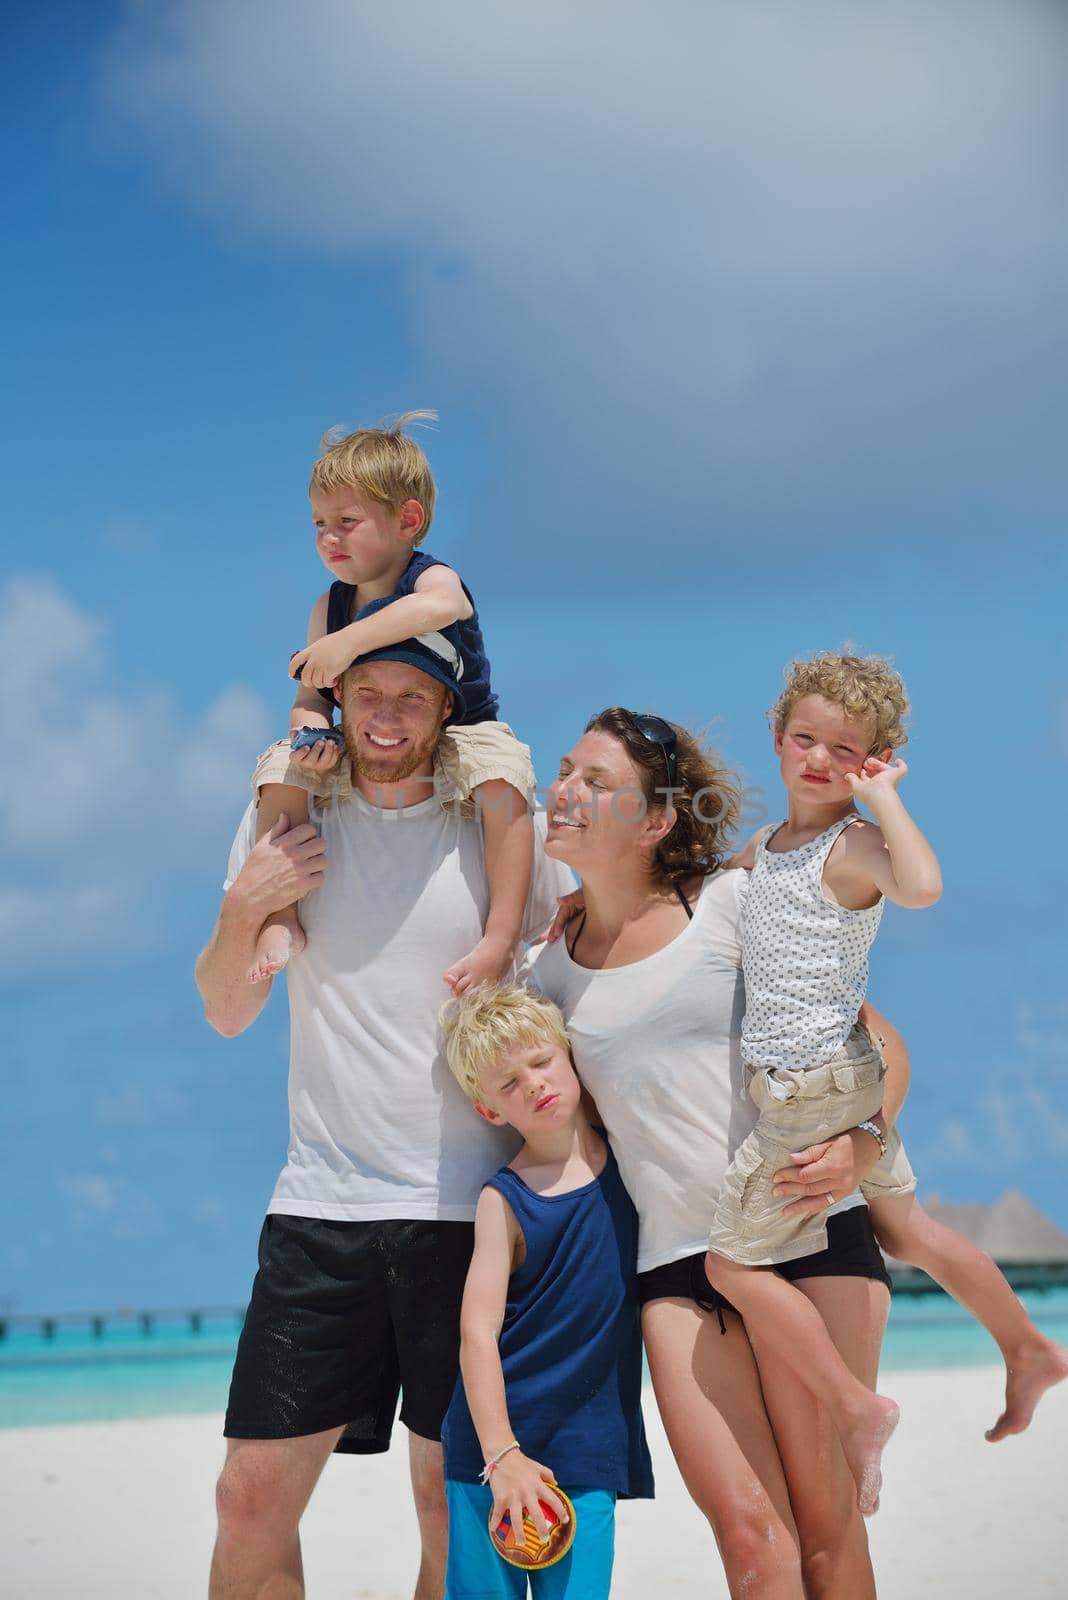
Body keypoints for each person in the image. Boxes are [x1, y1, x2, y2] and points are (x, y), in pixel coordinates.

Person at [194, 628, 572, 1600]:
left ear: (449, 708)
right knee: (248, 1498)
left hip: (475, 1215)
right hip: (321, 1205)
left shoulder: (494, 828)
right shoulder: (293, 820)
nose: (389, 713)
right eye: (370, 690)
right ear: (338, 699)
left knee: (451, 1512)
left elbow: (589, 985)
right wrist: (245, 909)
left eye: (414, 693)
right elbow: (228, 1010)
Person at [530, 706, 908, 1599]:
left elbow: (879, 1046)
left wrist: (864, 1144)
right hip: (671, 1266)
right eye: (566, 770)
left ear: (657, 820)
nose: (566, 790)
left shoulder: (736, 907)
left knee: (827, 1535)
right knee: (750, 1544)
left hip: (806, 1236)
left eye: (598, 782)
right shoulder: (547, 973)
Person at [705, 652, 1067, 1487]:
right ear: (777, 735)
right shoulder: (766, 846)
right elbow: (712, 894)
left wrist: (886, 801)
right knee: (907, 1230)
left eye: (844, 750)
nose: (818, 760)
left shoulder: (855, 842)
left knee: (731, 1264)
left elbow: (925, 887)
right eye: (805, 738)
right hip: (848, 1073)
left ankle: (852, 1403)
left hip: (811, 1086)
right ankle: (1028, 1345)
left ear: (872, 761)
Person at [246, 411, 535, 998]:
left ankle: (501, 932)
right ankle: (279, 916)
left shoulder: (431, 579)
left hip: (463, 727)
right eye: (319, 523)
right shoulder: (328, 607)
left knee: (504, 775)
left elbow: (440, 610)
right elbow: (309, 696)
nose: (329, 537)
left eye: (347, 521)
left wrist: (349, 641)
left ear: (408, 520)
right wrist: (311, 735)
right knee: (279, 765)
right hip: (364, 735)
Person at [438, 983, 653, 1599]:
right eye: (508, 1083)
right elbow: (476, 1334)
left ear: (570, 1056)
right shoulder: (504, 1200)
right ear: (489, 1111)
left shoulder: (633, 1160)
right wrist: (501, 1455)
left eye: (540, 1061)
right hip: (493, 1452)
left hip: (589, 1442)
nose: (532, 1083)